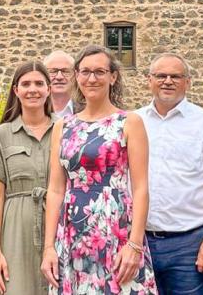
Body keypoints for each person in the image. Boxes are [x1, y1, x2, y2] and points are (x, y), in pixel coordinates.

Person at [41, 45, 157, 294]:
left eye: (99, 72)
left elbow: (140, 188)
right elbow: (55, 190)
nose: (91, 78)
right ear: (77, 76)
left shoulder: (129, 122)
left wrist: (134, 244)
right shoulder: (63, 127)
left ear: (112, 77)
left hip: (116, 230)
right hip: (72, 232)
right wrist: (49, 247)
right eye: (85, 72)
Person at [138, 53, 203, 295]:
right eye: (161, 76)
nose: (168, 81)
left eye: (176, 76)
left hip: (188, 244)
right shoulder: (133, 121)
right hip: (140, 242)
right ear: (149, 80)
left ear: (188, 82)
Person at [0, 62, 55, 295]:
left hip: (59, 226)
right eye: (26, 84)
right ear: (16, 90)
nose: (33, 89)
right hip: (15, 232)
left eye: (39, 83)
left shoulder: (66, 130)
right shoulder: (1, 135)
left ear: (49, 89)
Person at [43, 50, 75, 117]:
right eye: (53, 71)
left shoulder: (86, 108)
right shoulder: (35, 109)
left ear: (75, 75)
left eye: (65, 71)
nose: (59, 77)